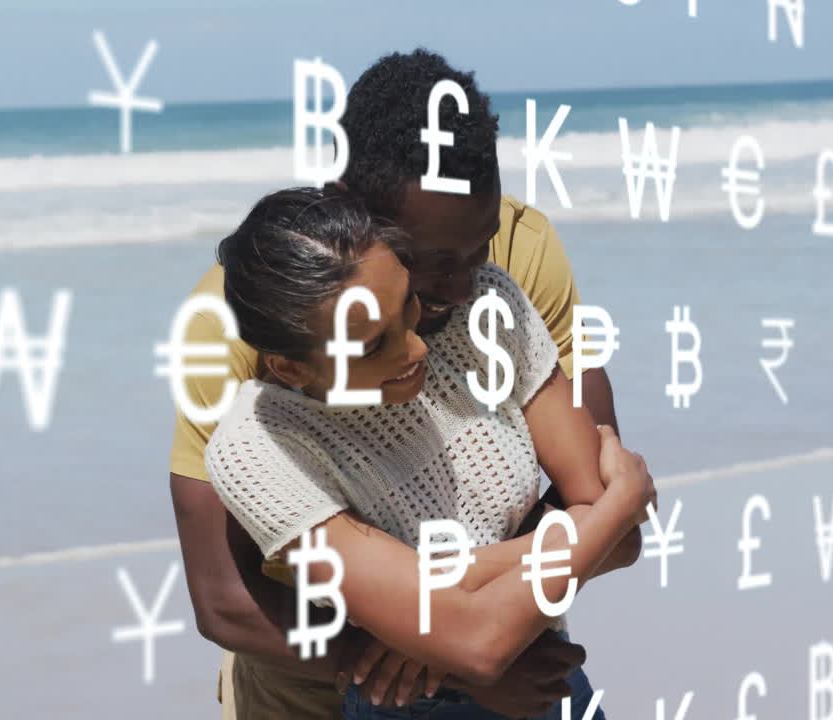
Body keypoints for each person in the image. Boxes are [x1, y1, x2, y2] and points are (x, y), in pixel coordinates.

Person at [167, 49, 632, 719]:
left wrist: (466, 637)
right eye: (429, 262)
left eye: (479, 251)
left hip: (516, 647)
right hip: (306, 671)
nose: (462, 287)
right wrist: (437, 659)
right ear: (350, 208)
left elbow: (598, 499)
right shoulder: (242, 325)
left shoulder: (514, 261)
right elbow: (224, 598)